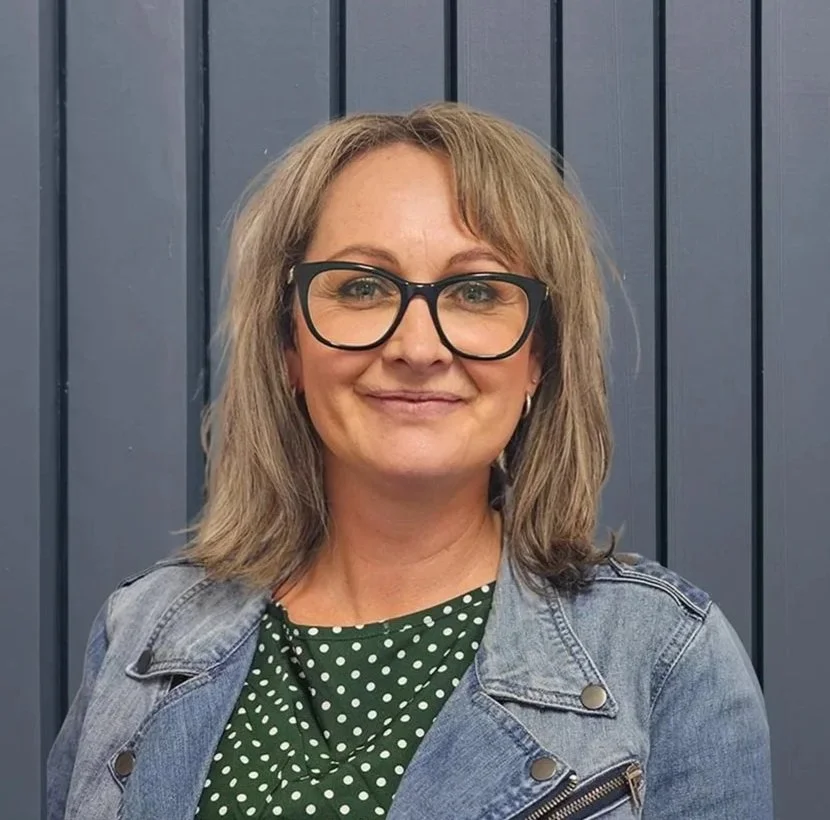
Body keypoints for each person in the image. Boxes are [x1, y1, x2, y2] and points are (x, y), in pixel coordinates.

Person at [47, 103, 773, 820]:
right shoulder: (141, 634)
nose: (418, 349)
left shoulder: (664, 656)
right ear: (289, 346)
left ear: (539, 359)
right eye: (362, 287)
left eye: (476, 291)